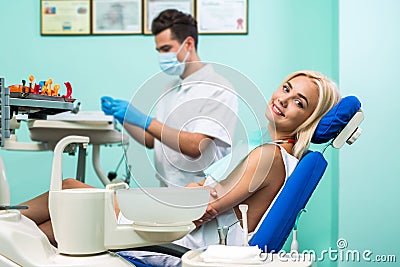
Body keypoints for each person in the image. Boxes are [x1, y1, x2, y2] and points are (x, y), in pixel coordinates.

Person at [20, 70, 340, 254]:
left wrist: (172, 200)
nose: (283, 99)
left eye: (299, 102)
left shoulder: (268, 155)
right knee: (57, 218)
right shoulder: (277, 155)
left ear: (310, 118)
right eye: (286, 88)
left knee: (66, 193)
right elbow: (216, 199)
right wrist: (199, 189)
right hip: (183, 230)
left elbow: (206, 210)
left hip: (179, 241)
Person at [101, 9, 238, 187]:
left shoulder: (218, 88)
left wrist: (145, 120)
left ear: (188, 44)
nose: (162, 56)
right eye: (159, 50)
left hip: (203, 192)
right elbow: (152, 140)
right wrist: (125, 118)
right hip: (168, 189)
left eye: (166, 49)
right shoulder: (170, 89)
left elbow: (196, 146)